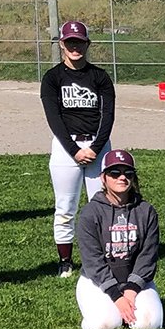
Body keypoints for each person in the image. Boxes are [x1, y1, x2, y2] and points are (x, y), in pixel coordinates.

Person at [41, 20, 116, 278]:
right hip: (66, 147)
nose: (75, 46)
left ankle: (104, 257)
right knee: (65, 206)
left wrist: (95, 147)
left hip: (97, 145)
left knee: (103, 205)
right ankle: (65, 260)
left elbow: (108, 115)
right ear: (62, 44)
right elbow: (54, 118)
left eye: (80, 42)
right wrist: (74, 150)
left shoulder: (100, 77)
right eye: (70, 41)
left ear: (87, 44)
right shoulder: (52, 78)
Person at [76, 149, 163, 329]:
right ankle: (108, 310)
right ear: (103, 178)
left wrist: (131, 291)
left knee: (147, 325)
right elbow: (92, 260)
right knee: (103, 325)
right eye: (114, 173)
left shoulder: (146, 211)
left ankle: (126, 310)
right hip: (97, 282)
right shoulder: (90, 213)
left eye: (128, 173)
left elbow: (148, 256)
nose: (121, 177)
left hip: (137, 282)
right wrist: (116, 296)